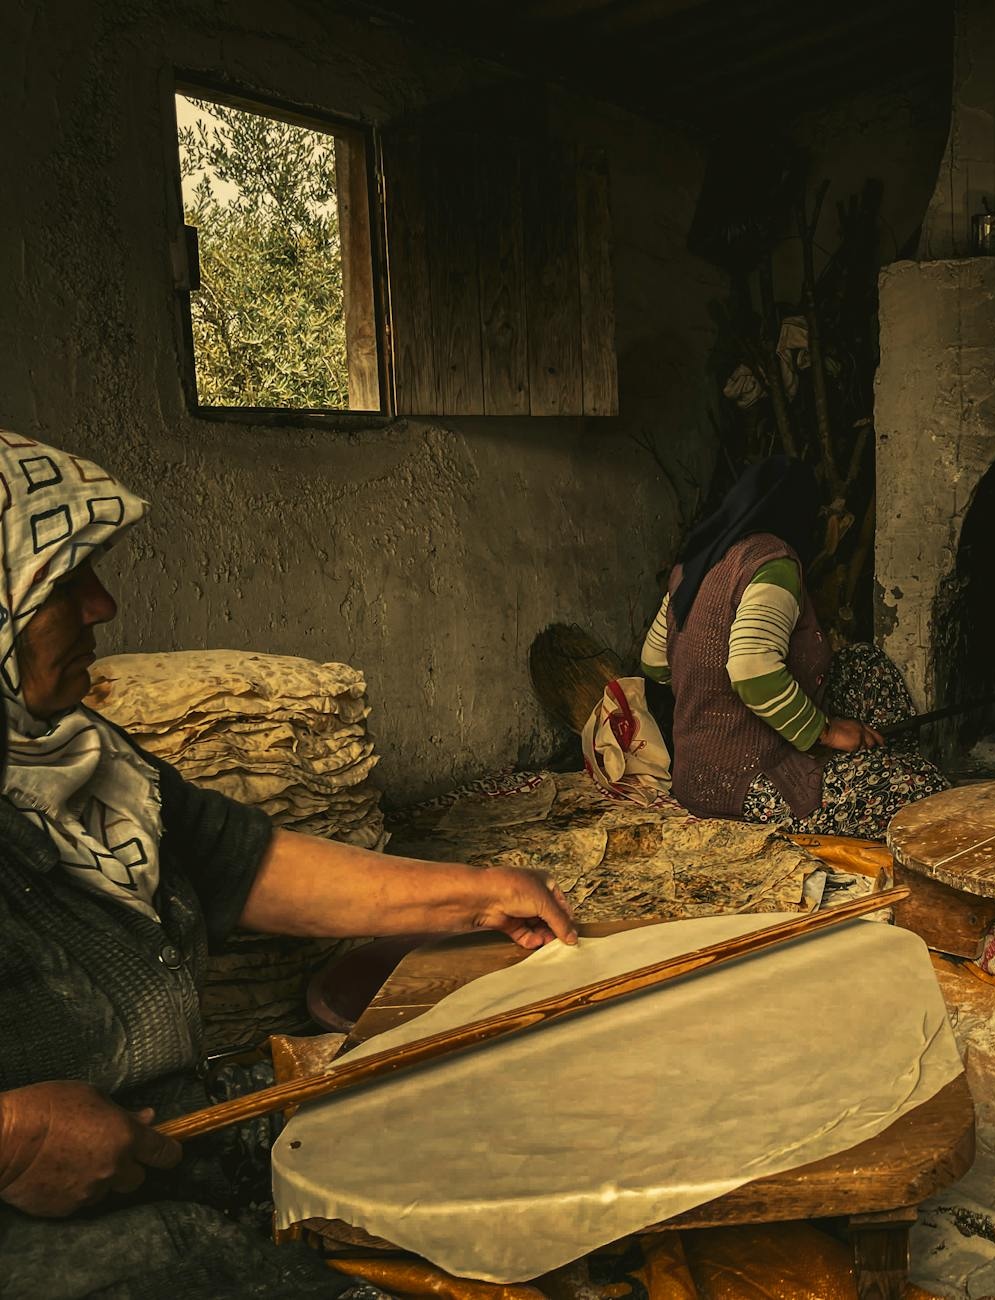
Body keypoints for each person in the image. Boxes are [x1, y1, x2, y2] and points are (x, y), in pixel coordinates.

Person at [0, 434, 578, 1298]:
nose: (104, 606)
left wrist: (481, 892)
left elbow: (243, 864)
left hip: (159, 1125)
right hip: (32, 1229)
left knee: (460, 1119)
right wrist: (12, 1137)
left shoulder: (72, 750)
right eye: (65, 584)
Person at [639, 456, 947, 839]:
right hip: (747, 787)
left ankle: (875, 758)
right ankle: (877, 770)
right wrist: (829, 731)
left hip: (691, 777)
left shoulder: (693, 566)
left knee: (862, 662)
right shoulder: (771, 562)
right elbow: (753, 671)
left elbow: (654, 663)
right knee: (921, 787)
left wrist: (709, 696)